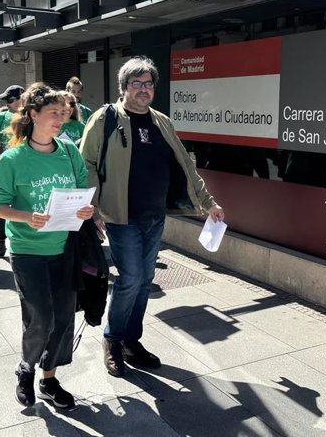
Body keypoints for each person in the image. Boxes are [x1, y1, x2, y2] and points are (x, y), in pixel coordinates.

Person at [79, 56, 225, 377]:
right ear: (124, 87)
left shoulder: (161, 121)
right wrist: (95, 209)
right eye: (137, 83)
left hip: (154, 216)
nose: (144, 89)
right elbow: (85, 163)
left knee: (144, 280)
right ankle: (113, 339)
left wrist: (207, 202)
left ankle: (132, 339)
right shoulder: (106, 119)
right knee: (130, 279)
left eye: (148, 83)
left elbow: (186, 165)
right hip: (120, 215)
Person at [0, 83, 94, 409]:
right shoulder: (12, 159)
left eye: (62, 114)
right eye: (53, 113)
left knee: (63, 318)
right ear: (33, 115)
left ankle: (49, 379)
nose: (60, 119)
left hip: (63, 249)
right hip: (27, 252)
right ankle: (25, 368)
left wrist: (86, 209)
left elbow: (81, 188)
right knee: (42, 318)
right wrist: (26, 216)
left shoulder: (68, 151)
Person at [0, 84, 25, 257]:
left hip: (24, 167)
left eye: (10, 100)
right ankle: (1, 238)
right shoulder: (2, 116)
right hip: (5, 167)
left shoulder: (28, 118)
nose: (7, 103)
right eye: (6, 100)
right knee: (1, 202)